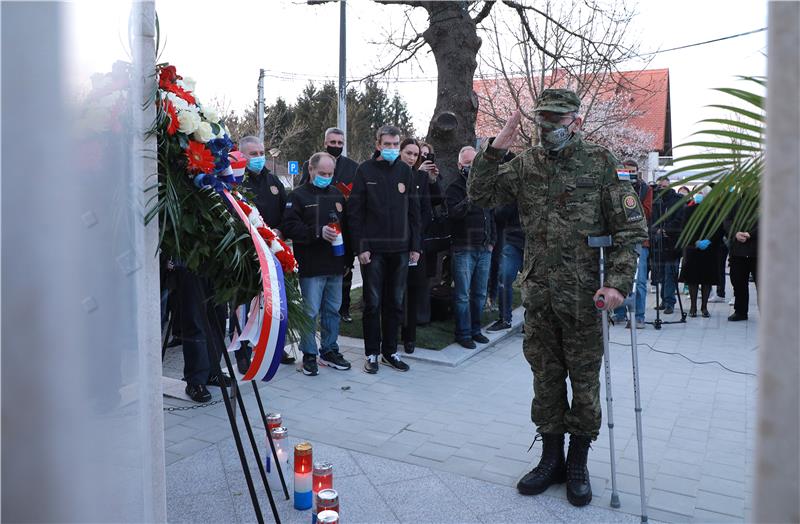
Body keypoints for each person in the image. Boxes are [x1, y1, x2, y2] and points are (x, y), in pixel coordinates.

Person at [468, 89, 647, 507]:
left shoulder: (601, 163)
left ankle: (578, 461)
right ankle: (550, 459)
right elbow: (480, 196)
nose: (548, 129)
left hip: (588, 298)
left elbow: (630, 230)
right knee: (545, 379)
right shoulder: (527, 163)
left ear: (576, 123)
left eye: (557, 121)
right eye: (542, 121)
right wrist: (496, 150)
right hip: (540, 295)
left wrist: (618, 284)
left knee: (584, 385)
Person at [347, 125, 421, 373]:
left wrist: (415, 246)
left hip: (400, 251)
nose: (391, 149)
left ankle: (390, 352)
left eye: (395, 144)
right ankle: (372, 354)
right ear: (378, 145)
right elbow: (355, 214)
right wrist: (361, 247)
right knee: (373, 304)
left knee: (395, 303)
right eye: (387, 144)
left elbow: (414, 213)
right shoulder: (364, 170)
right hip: (374, 251)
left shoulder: (405, 171)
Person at [281, 152, 352, 375]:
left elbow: (347, 229)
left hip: (335, 265)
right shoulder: (298, 195)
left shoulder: (337, 195)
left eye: (330, 174)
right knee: (310, 312)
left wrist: (348, 260)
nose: (326, 177)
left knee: (333, 310)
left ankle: (330, 350)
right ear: (311, 170)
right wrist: (317, 232)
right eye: (322, 173)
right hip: (311, 265)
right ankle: (309, 354)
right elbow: (290, 227)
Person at [238, 136, 295, 367]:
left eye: (261, 152)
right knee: (243, 305)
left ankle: (274, 347)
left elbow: (287, 212)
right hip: (245, 252)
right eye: (253, 154)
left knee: (274, 302)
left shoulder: (274, 181)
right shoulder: (237, 181)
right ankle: (242, 353)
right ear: (242, 155)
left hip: (272, 252)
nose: (259, 157)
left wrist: (279, 232)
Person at [299, 127, 360, 323]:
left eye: (339, 143)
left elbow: (358, 194)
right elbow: (303, 188)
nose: (336, 146)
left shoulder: (353, 166)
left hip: (345, 222)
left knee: (345, 269)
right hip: (317, 222)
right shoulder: (311, 163)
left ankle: (344, 308)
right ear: (325, 143)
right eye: (332, 143)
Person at [391, 138, 442, 353]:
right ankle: (392, 335)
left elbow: (427, 209)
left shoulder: (421, 178)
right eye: (409, 153)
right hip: (393, 243)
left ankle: (409, 336)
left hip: (416, 245)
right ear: (401, 152)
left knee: (414, 290)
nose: (413, 158)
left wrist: (430, 179)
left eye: (417, 154)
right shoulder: (394, 174)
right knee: (393, 292)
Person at [446, 146, 496, 349]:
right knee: (462, 295)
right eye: (468, 164)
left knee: (479, 294)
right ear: (460, 165)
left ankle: (476, 330)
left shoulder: (485, 186)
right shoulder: (454, 188)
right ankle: (463, 333)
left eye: (475, 163)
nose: (472, 167)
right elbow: (453, 214)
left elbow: (490, 216)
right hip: (463, 249)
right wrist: (470, 196)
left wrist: (492, 241)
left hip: (484, 249)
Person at [611, 159, 653, 329]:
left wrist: (630, 200)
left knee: (640, 280)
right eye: (626, 172)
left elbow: (647, 212)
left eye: (632, 172)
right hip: (619, 240)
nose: (630, 175)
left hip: (639, 240)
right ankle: (619, 313)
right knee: (618, 277)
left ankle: (639, 316)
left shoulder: (645, 189)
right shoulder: (615, 188)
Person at [678, 192, 724, 317]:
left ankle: (704, 307)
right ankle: (693, 307)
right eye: (698, 193)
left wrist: (710, 240)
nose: (700, 196)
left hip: (710, 249)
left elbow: (720, 229)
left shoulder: (716, 211)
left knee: (707, 279)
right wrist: (695, 241)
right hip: (693, 248)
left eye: (703, 193)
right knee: (693, 279)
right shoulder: (688, 210)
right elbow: (684, 229)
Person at [487, 203, 524, 332]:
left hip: (537, 243)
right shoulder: (512, 190)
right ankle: (505, 319)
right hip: (513, 241)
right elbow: (499, 214)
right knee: (504, 277)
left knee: (536, 284)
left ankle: (532, 322)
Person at [650, 176, 684, 315]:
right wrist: (655, 230)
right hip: (659, 243)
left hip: (672, 243)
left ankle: (670, 302)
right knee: (661, 273)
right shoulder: (656, 201)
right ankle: (664, 300)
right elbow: (652, 218)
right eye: (660, 187)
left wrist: (665, 230)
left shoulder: (677, 200)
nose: (662, 189)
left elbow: (680, 220)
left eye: (665, 186)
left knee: (670, 273)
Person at [724, 202, 758, 321]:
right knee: (738, 283)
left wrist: (751, 234)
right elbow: (727, 220)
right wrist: (735, 233)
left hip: (758, 251)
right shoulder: (736, 201)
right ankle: (740, 311)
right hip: (738, 250)